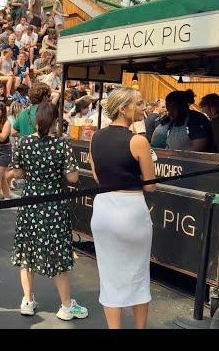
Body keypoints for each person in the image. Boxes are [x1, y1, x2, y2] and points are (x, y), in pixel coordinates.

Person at [8, 102, 88, 321]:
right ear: (54, 121)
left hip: (30, 202)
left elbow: (17, 172)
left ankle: (27, 300)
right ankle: (65, 305)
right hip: (53, 203)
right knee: (57, 253)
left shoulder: (23, 143)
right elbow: (72, 178)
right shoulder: (62, 145)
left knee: (27, 250)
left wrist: (33, 173)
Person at [89, 87, 156, 329]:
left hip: (103, 208)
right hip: (130, 210)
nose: (143, 107)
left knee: (109, 278)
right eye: (138, 104)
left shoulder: (96, 137)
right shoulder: (138, 141)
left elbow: (97, 175)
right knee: (138, 275)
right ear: (123, 108)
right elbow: (150, 186)